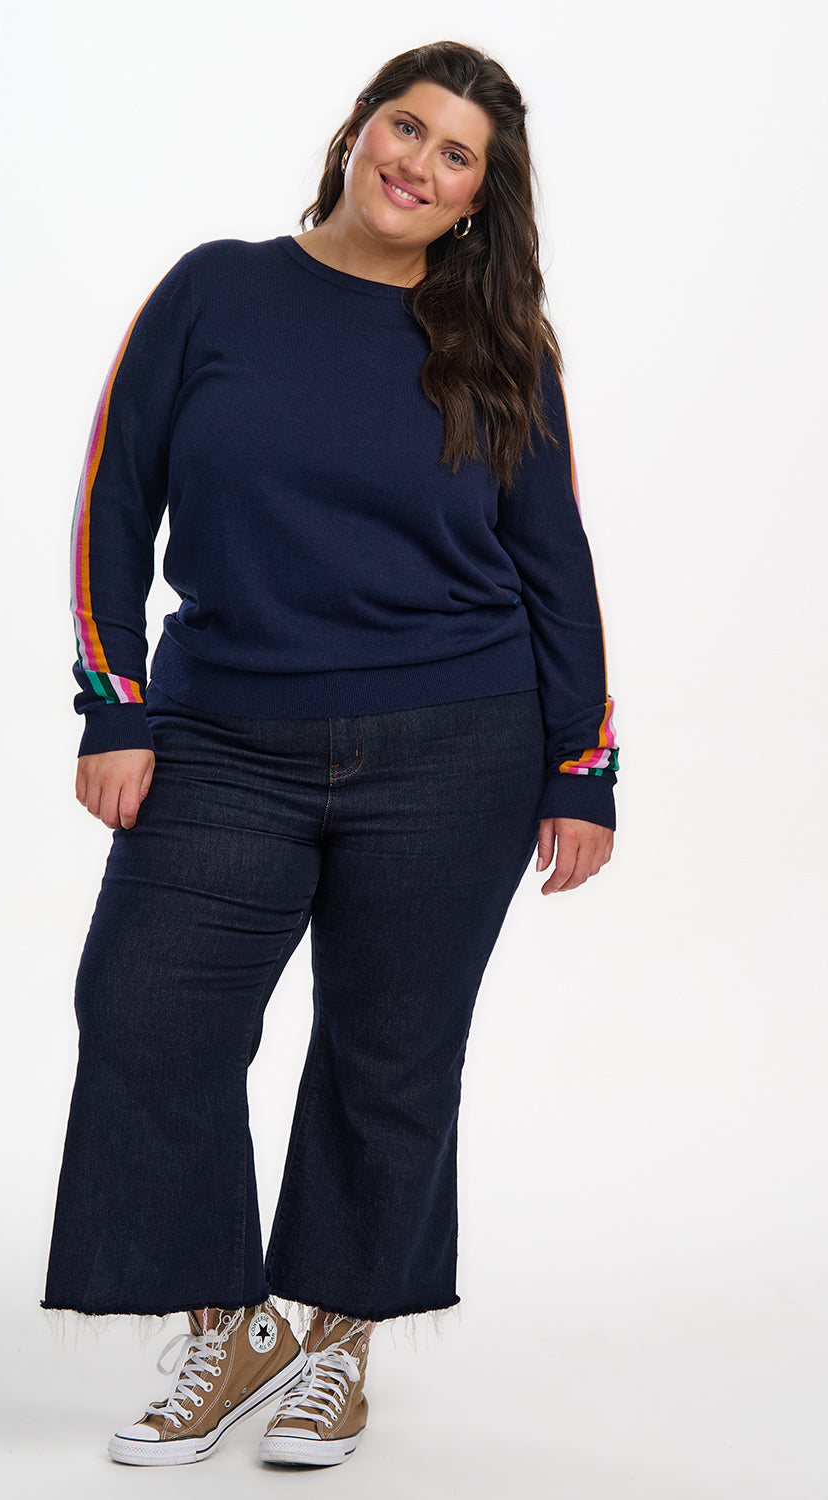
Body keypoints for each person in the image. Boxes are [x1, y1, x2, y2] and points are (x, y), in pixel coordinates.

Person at [41, 38, 619, 1470]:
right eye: (405, 126)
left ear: (480, 196)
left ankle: (339, 1349)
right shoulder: (215, 290)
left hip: (458, 745)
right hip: (222, 735)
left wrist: (583, 766)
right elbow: (115, 497)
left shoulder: (502, 344)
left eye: (456, 154)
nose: (418, 163)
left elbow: (555, 561)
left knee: (391, 1053)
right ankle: (229, 1326)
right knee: (144, 1012)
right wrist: (114, 707)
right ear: (360, 128)